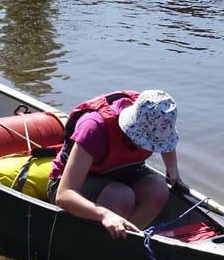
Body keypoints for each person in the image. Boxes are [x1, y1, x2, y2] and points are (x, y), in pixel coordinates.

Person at [47, 90, 180, 239]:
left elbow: (165, 139)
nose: (152, 147)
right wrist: (104, 215)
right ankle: (96, 243)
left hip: (119, 172)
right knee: (122, 196)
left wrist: (172, 168)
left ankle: (125, 240)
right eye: (150, 142)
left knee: (158, 189)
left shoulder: (156, 114)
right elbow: (64, 194)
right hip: (73, 182)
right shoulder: (95, 127)